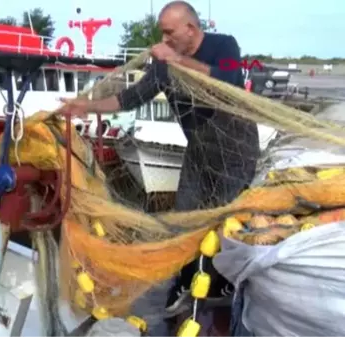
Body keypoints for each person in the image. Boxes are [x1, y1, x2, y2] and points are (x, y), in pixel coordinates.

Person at [60, 0, 258, 331]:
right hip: (198, 153)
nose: (163, 40)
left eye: (169, 33)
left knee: (224, 223)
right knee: (181, 221)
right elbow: (131, 97)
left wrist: (178, 60)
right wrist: (86, 106)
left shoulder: (224, 46)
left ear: (190, 30)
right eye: (162, 34)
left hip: (235, 155)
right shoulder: (164, 64)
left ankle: (224, 292)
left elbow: (229, 79)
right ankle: (182, 287)